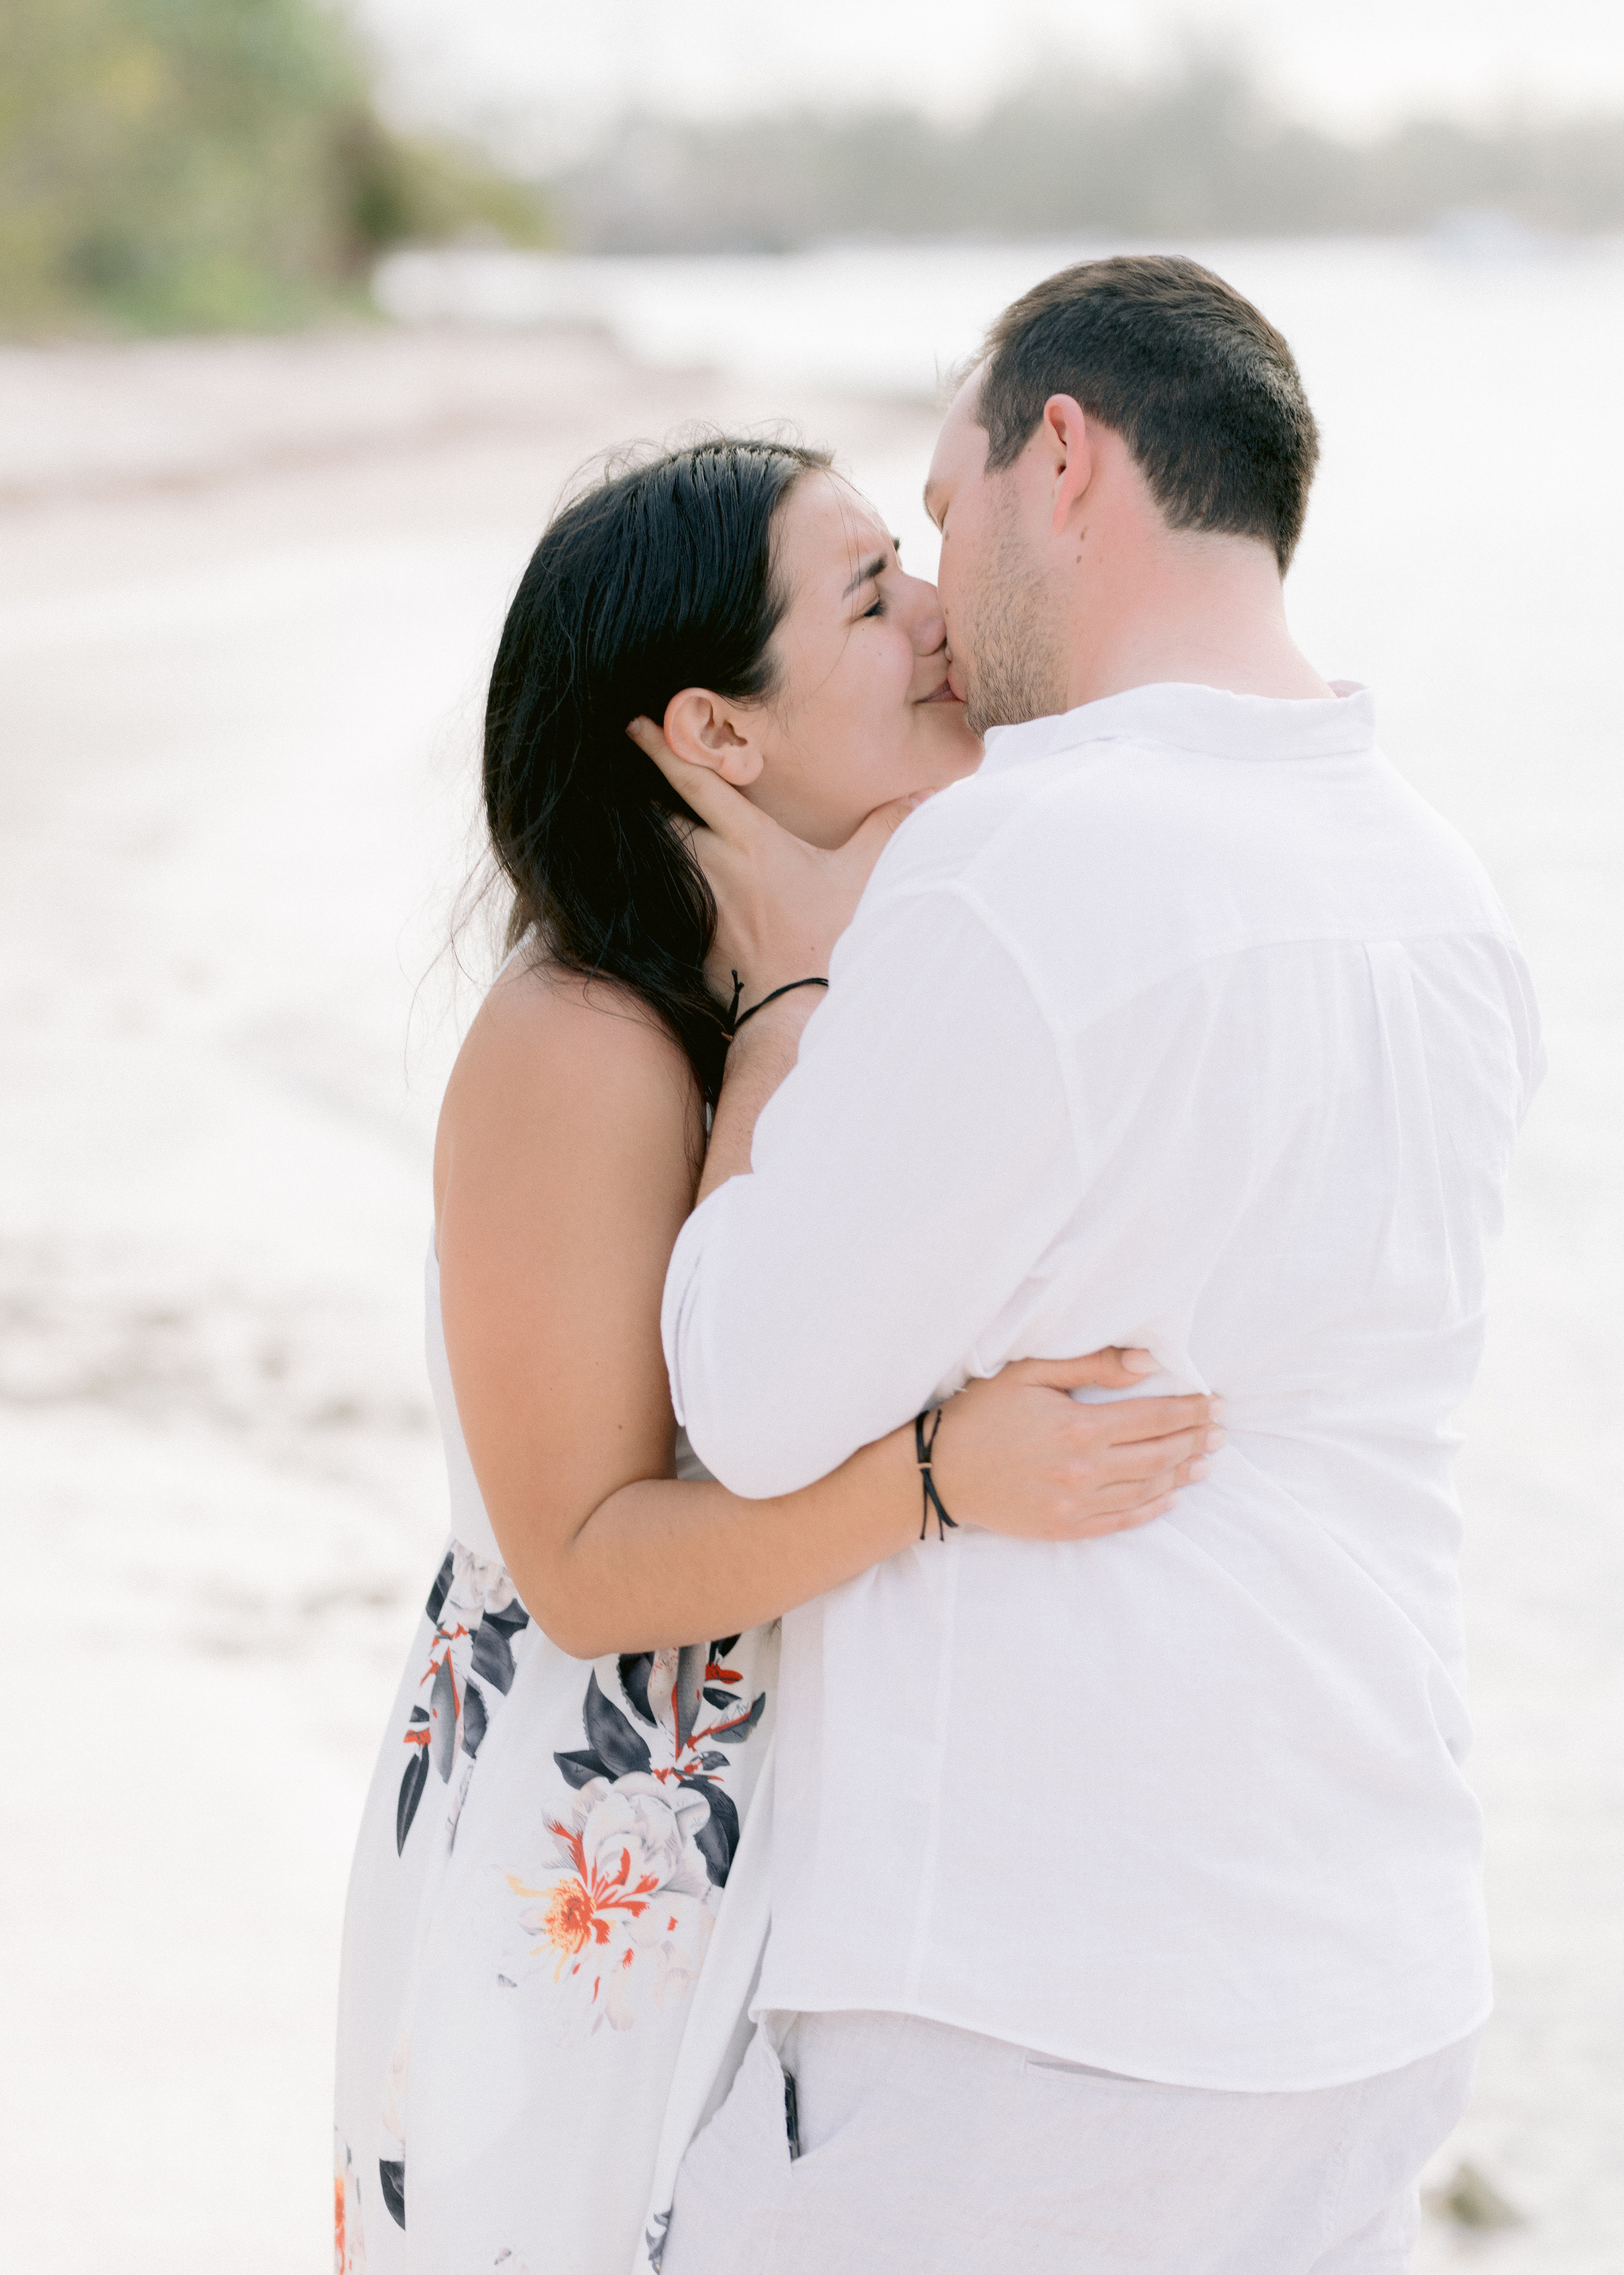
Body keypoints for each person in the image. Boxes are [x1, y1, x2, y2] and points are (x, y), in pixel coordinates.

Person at [642, 256, 1545, 2274]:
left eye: (942, 514)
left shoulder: (1026, 860)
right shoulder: (1435, 882)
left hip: (1050, 1980)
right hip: (1370, 1951)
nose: (940, 603)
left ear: (1063, 456)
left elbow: (750, 1395)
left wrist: (782, 1017)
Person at [332, 436, 1218, 2275]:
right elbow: (585, 1570)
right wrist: (934, 1480)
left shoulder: (894, 960)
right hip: (599, 1874)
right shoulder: (581, 1040)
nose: (932, 613)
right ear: (717, 739)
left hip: (810, 1861)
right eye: (864, 591)